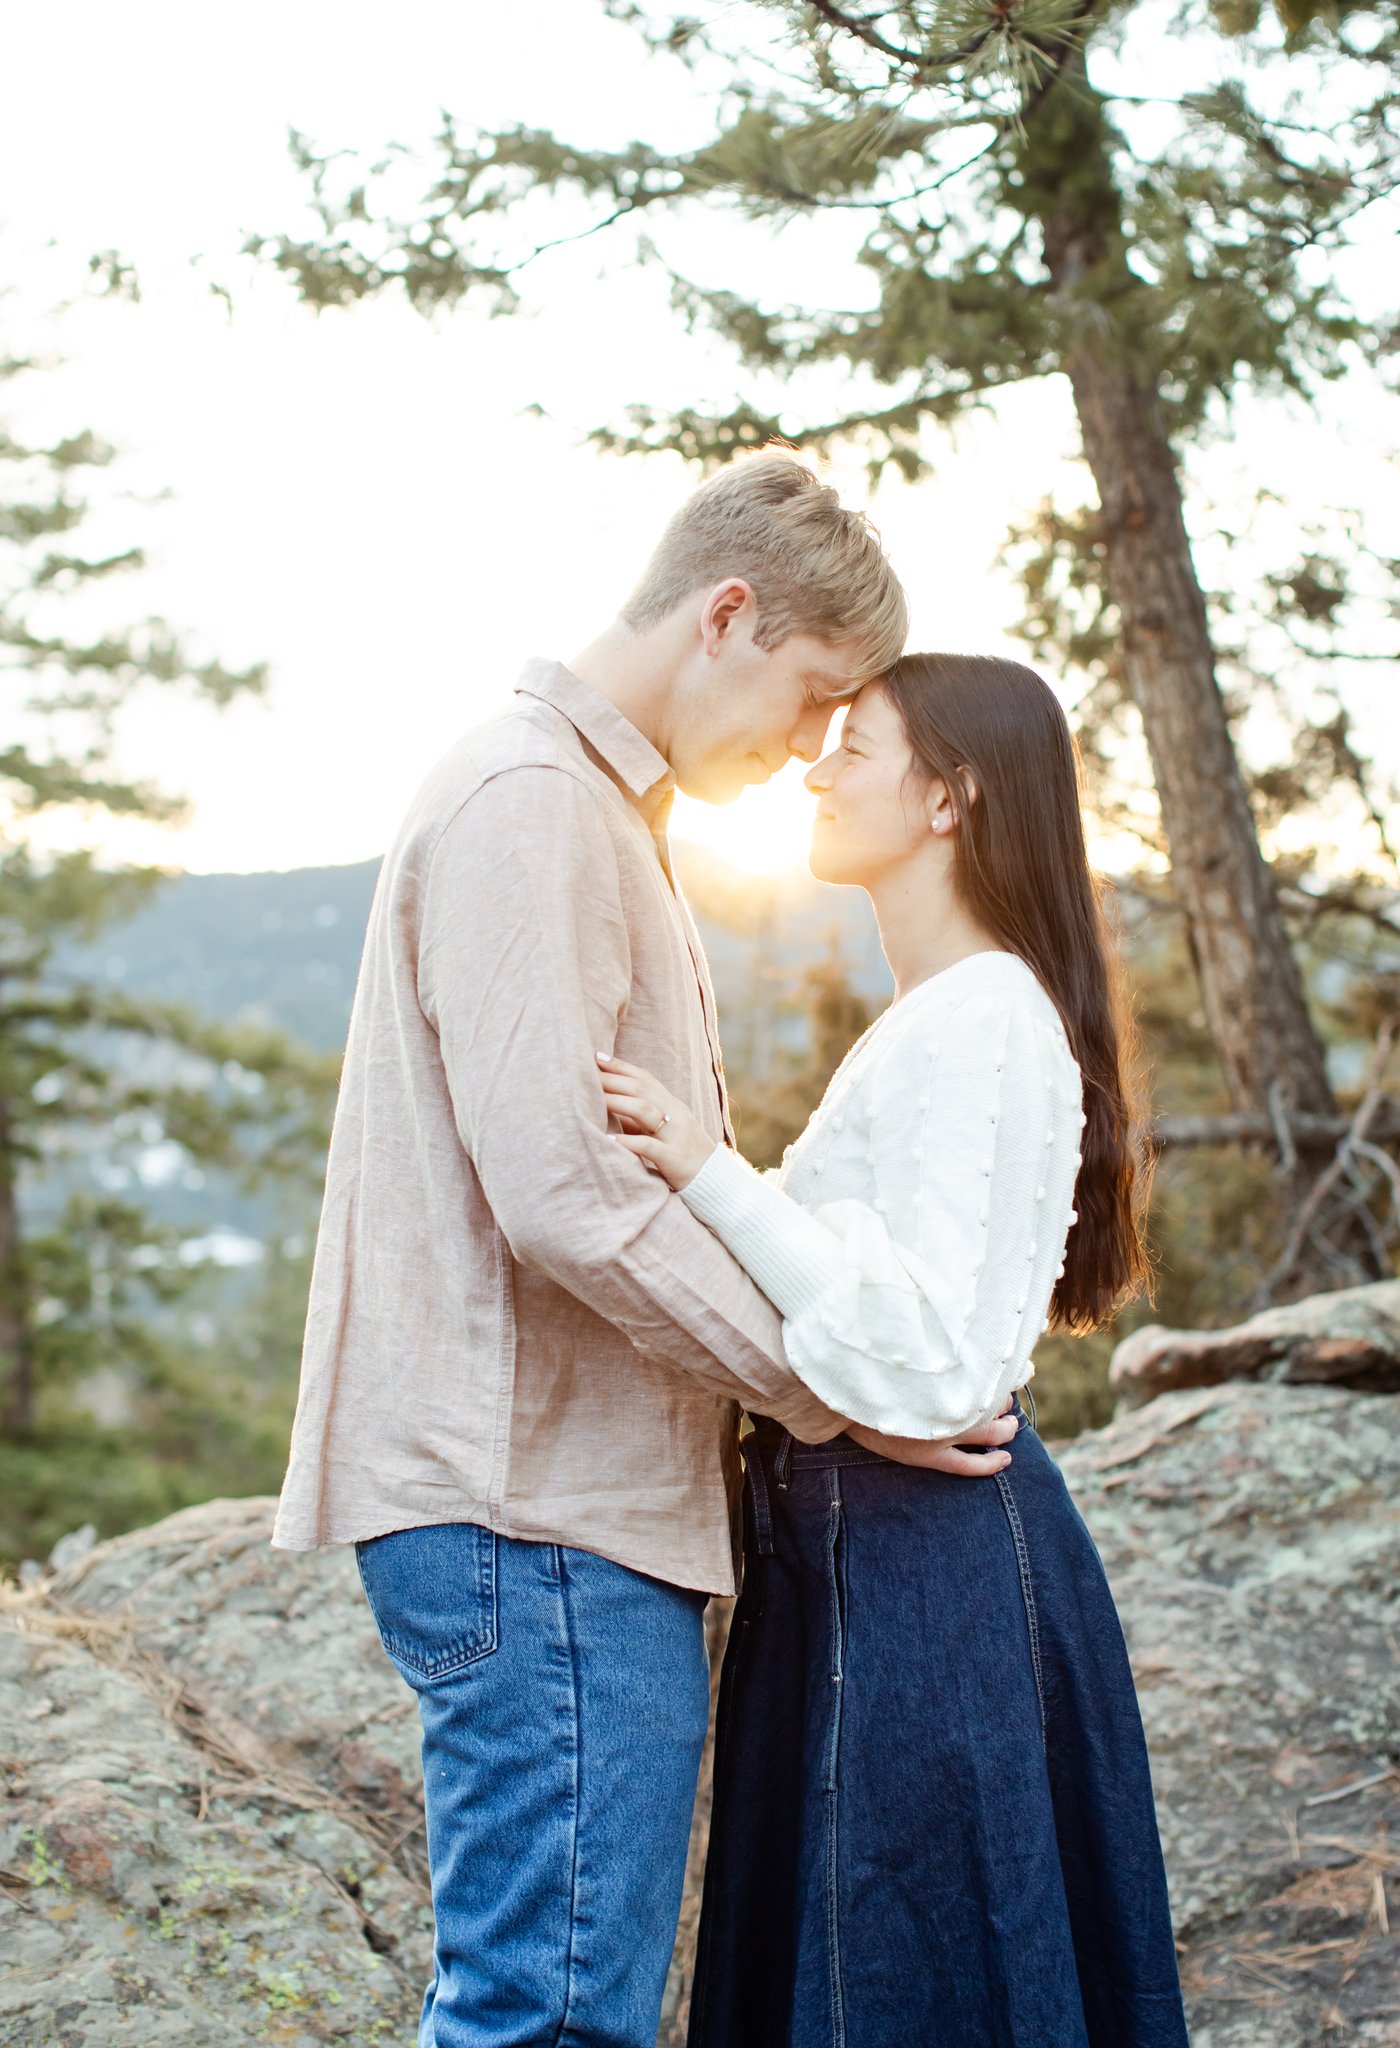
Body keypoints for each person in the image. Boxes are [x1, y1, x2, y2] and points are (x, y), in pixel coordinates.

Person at [273, 457, 1020, 2048]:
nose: (808, 749)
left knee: (549, 2013)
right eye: (811, 697)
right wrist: (835, 1396)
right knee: (548, 2025)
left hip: (555, 1513)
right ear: (726, 615)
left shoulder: (586, 806)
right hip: (532, 1510)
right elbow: (567, 1197)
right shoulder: (533, 804)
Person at [599, 653, 1191, 2048]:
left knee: (912, 1986)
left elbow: (927, 1362)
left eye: (853, 746)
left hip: (926, 1563)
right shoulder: (947, 1016)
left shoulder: (985, 1016)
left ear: (950, 797)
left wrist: (707, 1170)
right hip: (876, 1552)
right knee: (864, 1976)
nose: (815, 765)